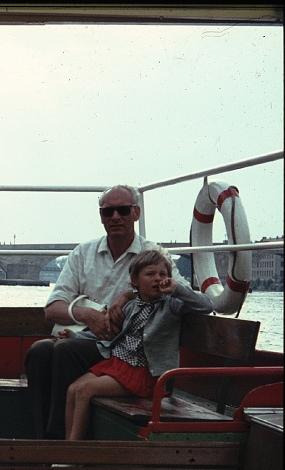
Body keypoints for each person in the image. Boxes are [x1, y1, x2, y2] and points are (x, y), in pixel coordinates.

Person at [24, 184, 188, 440]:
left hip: (122, 350)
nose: (115, 217)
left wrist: (129, 295)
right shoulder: (83, 253)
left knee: (63, 350)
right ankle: (41, 436)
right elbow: (52, 309)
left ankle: (57, 442)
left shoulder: (153, 255)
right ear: (101, 217)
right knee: (39, 351)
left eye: (122, 210)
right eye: (107, 212)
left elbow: (179, 289)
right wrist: (88, 316)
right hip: (89, 340)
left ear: (136, 213)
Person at [65, 248, 214, 440]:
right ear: (135, 281)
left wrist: (176, 288)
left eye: (163, 274)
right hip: (118, 365)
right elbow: (112, 336)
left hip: (144, 373)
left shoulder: (171, 305)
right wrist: (74, 336)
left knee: (85, 391)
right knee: (72, 390)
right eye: (150, 274)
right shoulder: (131, 306)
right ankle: (66, 446)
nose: (157, 279)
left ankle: (73, 451)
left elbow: (207, 306)